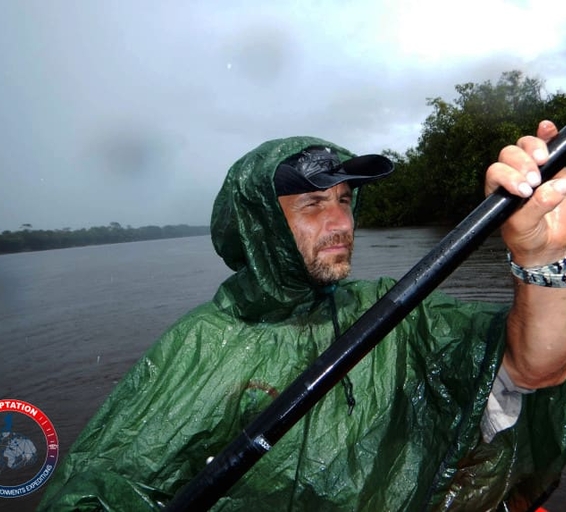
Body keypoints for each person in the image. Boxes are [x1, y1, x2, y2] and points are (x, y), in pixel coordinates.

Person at [38, 120, 566, 511]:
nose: (340, 221)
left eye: (343, 199)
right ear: (261, 225)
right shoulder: (201, 344)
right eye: (312, 205)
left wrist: (540, 259)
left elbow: (534, 366)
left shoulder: (389, 308)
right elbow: (94, 491)